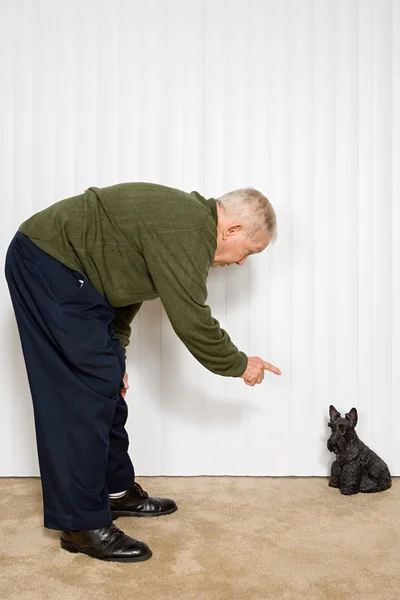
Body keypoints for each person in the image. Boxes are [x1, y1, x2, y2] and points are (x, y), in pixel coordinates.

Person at [4, 182, 281, 563]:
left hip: (68, 270)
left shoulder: (184, 225)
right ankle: (81, 525)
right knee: (79, 395)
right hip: (48, 261)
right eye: (248, 252)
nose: (239, 263)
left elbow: (122, 287)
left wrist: (116, 353)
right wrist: (238, 363)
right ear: (231, 230)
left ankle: (116, 491)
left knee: (107, 379)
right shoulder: (189, 231)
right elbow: (192, 319)